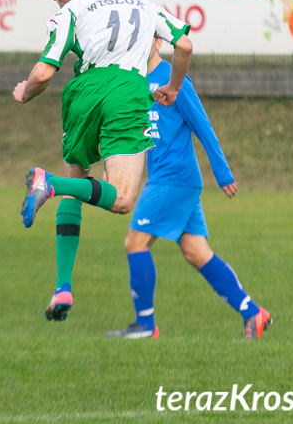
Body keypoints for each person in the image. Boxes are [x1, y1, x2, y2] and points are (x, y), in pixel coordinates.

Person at [12, 0, 192, 322]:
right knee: (123, 199)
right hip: (126, 91)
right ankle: (49, 183)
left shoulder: (70, 11)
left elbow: (44, 73)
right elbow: (185, 46)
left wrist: (23, 92)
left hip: (83, 94)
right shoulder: (143, 4)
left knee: (76, 180)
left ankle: (62, 287)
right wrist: (173, 87)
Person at [106, 37, 271, 339]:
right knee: (196, 252)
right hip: (167, 178)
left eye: (144, 37)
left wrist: (222, 173)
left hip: (175, 178)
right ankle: (253, 313)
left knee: (135, 242)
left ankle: (145, 325)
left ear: (157, 41)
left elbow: (202, 126)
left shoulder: (175, 80)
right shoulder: (134, 83)